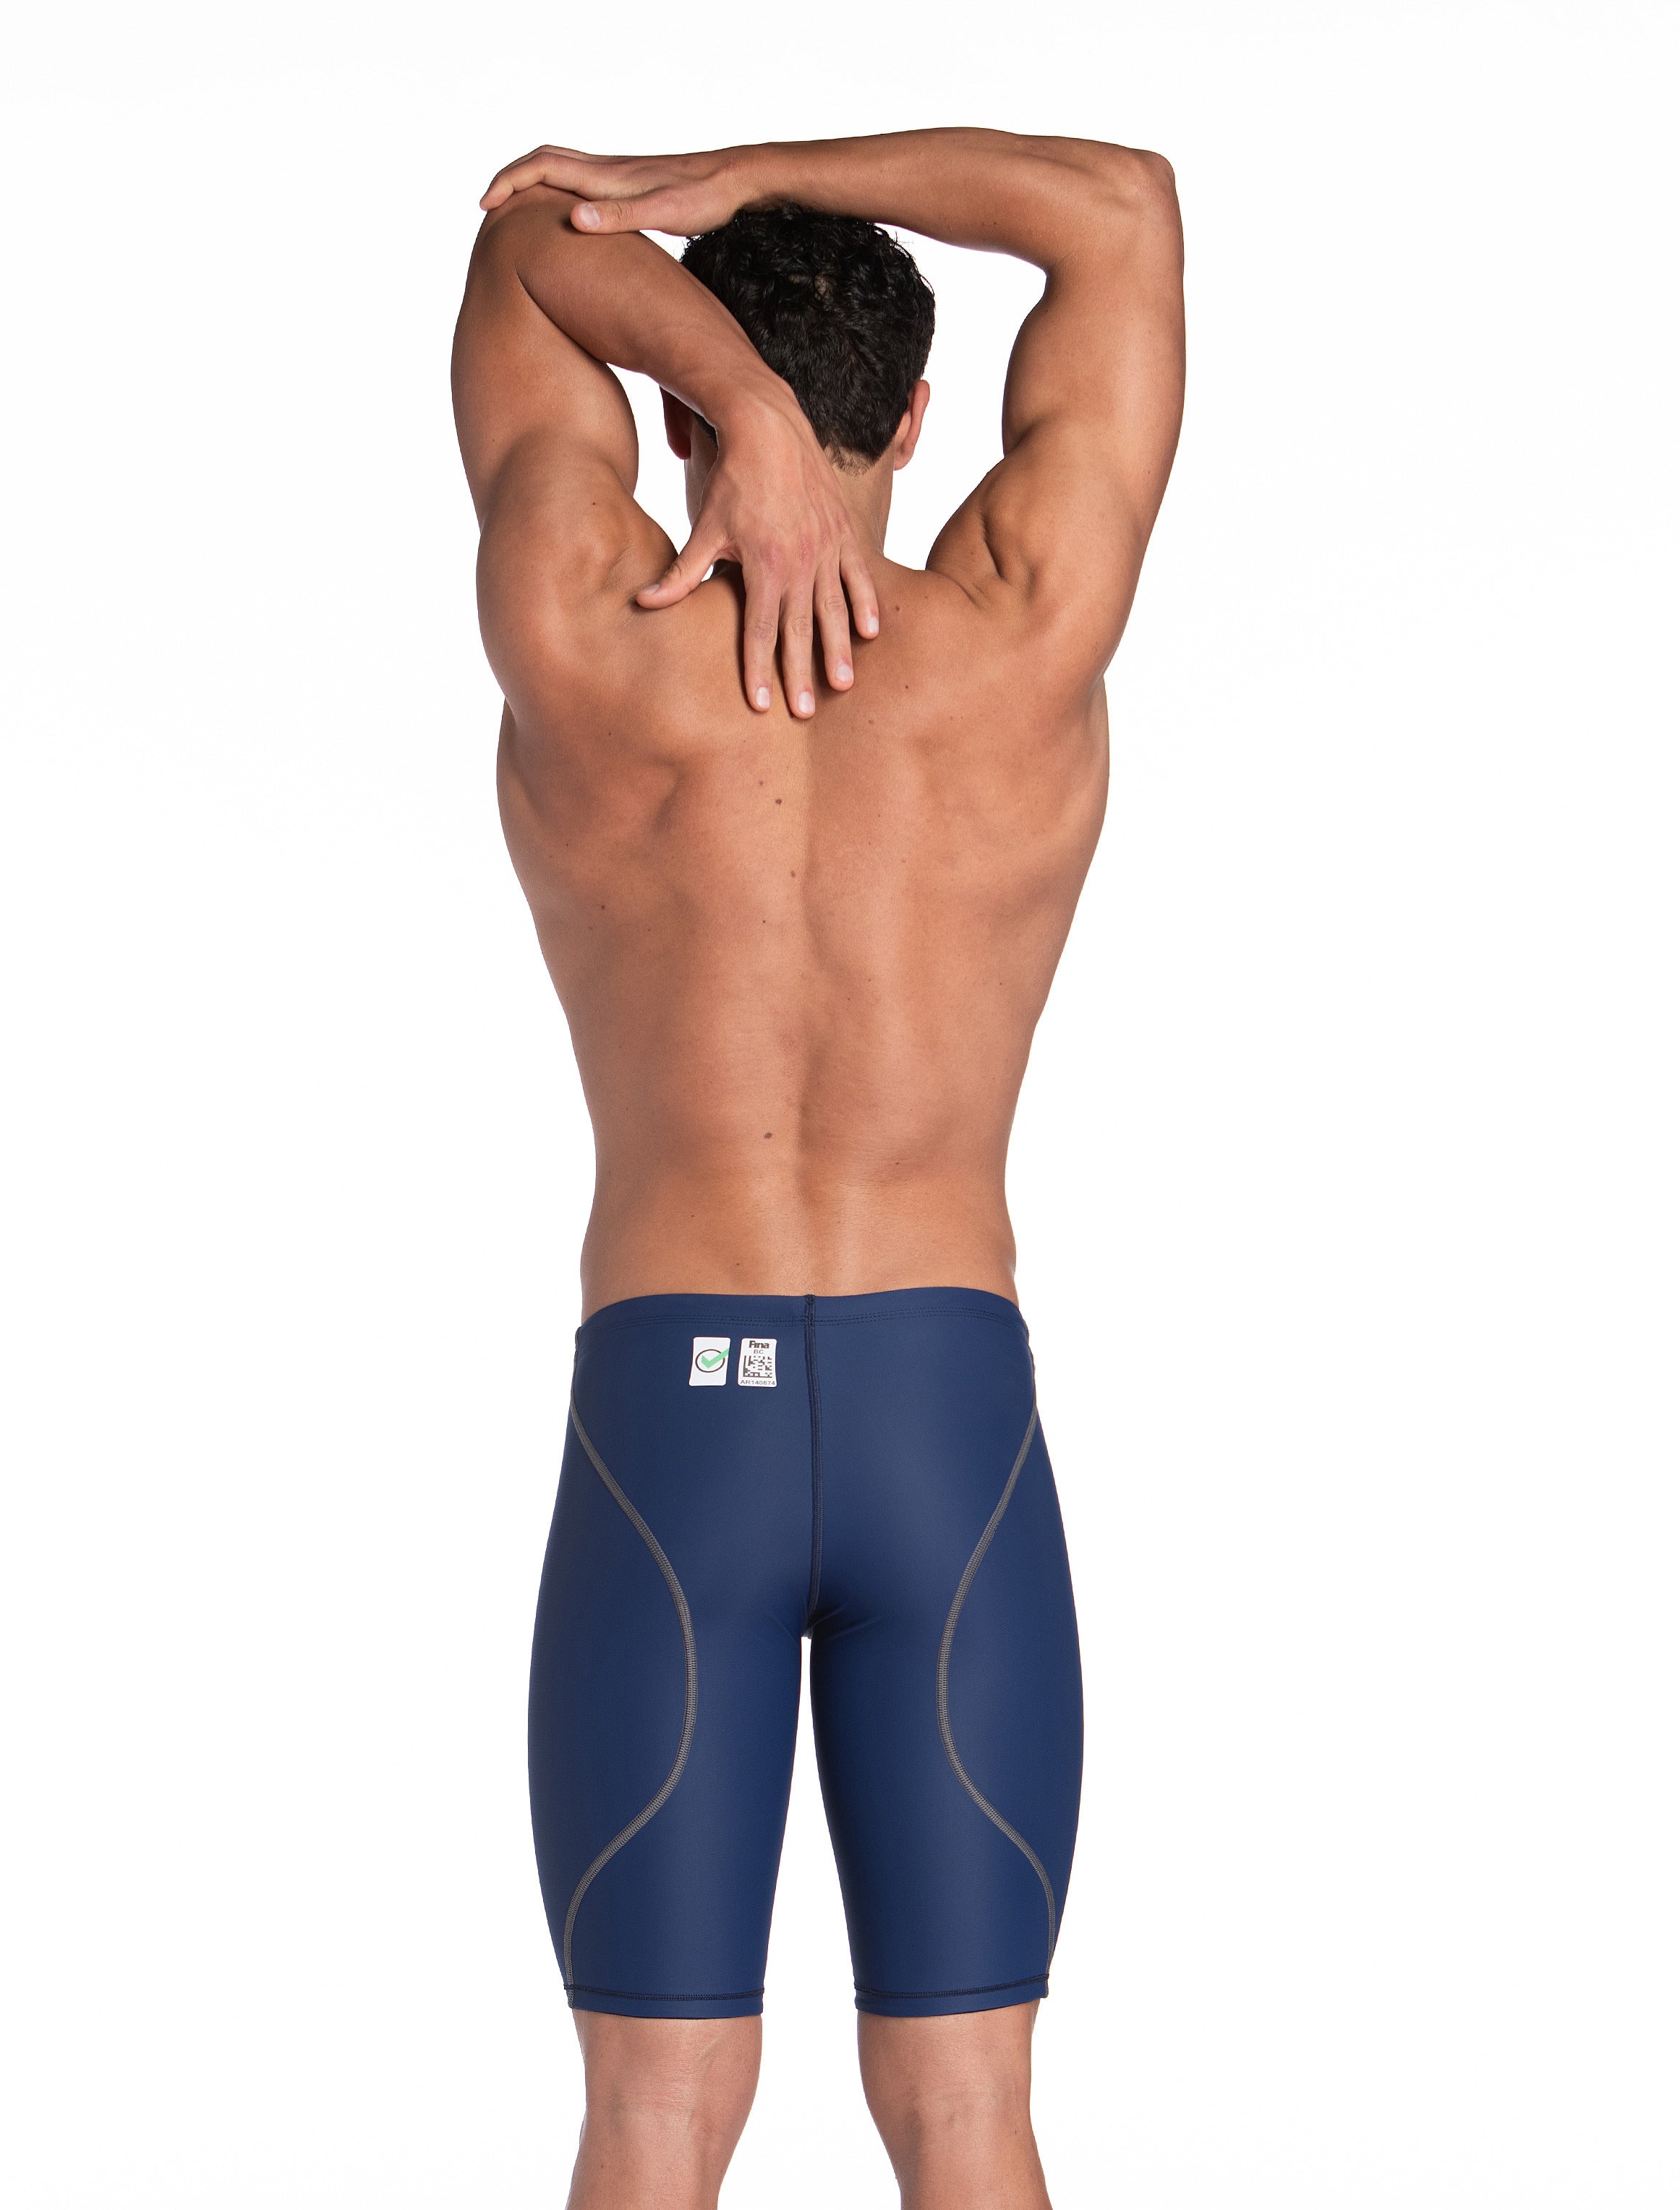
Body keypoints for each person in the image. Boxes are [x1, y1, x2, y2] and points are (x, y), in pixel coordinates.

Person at [451, 127, 1183, 2210]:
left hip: (663, 1431)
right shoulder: (1024, 630)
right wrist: (741, 182)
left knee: (651, 2120)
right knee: (968, 2119)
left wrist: (740, 412)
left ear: (672, 418)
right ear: (925, 417)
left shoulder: (582, 621)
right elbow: (1121, 208)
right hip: (944, 1423)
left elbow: (523, 234)